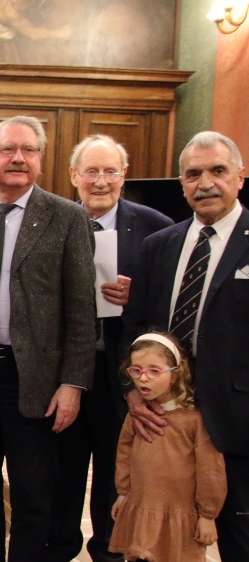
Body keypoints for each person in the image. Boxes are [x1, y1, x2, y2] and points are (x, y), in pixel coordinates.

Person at [0, 114, 96, 561]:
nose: (18, 158)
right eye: (8, 149)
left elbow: (81, 311)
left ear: (41, 160)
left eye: (29, 150)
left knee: (32, 491)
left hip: (34, 377)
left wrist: (73, 384)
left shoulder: (67, 217)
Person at [121, 131, 249, 561]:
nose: (205, 183)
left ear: (240, 177)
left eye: (218, 171)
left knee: (239, 537)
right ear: (181, 183)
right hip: (164, 422)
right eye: (193, 174)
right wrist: (131, 391)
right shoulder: (159, 245)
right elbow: (134, 327)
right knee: (165, 537)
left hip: (237, 420)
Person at [46, 135, 172, 562]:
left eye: (110, 171)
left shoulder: (157, 226)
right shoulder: (51, 221)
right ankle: (57, 547)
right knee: (61, 470)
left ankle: (110, 551)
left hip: (122, 373)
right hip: (63, 372)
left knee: (116, 474)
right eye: (91, 171)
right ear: (73, 176)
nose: (101, 181)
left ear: (124, 175)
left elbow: (171, 308)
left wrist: (138, 295)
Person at [109, 332, 227, 562]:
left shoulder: (194, 419)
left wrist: (208, 515)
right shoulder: (138, 416)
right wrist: (123, 493)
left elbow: (210, 469)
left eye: (154, 371)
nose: (143, 378)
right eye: (136, 370)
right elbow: (124, 454)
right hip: (141, 506)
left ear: (175, 375)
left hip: (178, 515)